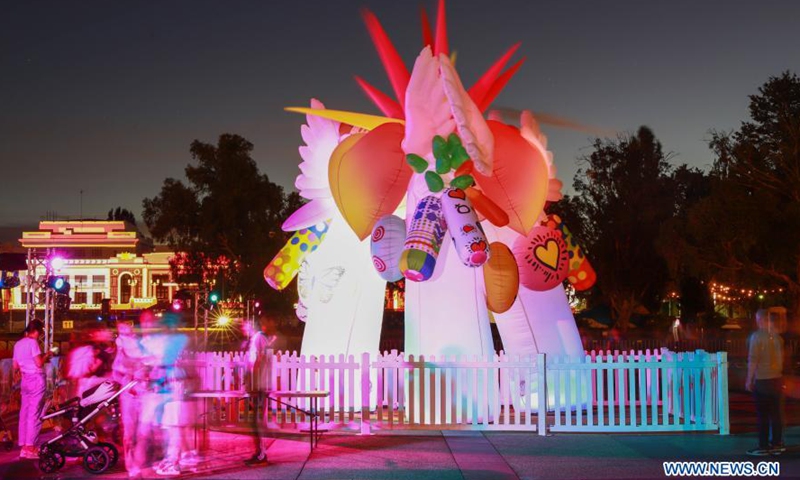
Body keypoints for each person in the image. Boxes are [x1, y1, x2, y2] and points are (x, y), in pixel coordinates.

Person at [242, 315, 284, 466]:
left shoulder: (258, 338)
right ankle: (259, 452)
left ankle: (261, 454)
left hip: (259, 386)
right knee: (255, 421)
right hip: (261, 385)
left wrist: (252, 382)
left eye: (245, 324)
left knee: (256, 421)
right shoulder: (264, 339)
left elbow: (259, 361)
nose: (242, 327)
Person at [746, 309, 785, 456]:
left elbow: (753, 359)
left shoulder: (757, 337)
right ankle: (777, 443)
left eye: (757, 319)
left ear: (760, 320)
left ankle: (763, 445)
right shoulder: (777, 337)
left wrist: (749, 379)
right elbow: (782, 358)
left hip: (763, 379)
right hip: (777, 378)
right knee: (776, 414)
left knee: (762, 415)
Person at [12, 319, 51, 460]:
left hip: (25, 380)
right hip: (36, 379)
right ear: (38, 332)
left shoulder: (18, 344)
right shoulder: (32, 343)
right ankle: (31, 447)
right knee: (34, 414)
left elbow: (15, 367)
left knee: (24, 413)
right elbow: (39, 363)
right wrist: (47, 355)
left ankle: (23, 447)